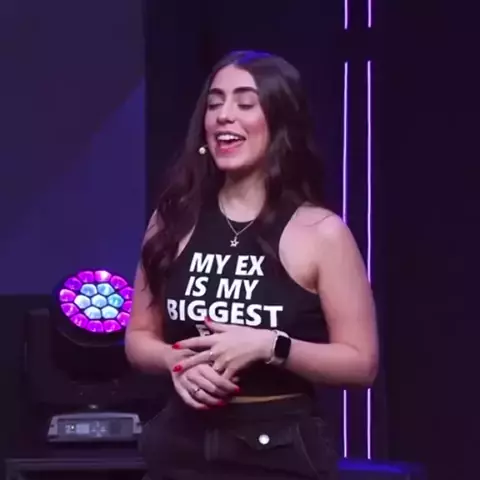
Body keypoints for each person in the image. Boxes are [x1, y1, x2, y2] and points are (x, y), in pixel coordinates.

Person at [125, 50, 378, 480]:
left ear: (280, 124)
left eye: (245, 103)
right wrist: (174, 362)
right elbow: (138, 337)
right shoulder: (172, 220)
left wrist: (271, 346)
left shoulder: (321, 232)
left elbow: (361, 364)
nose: (224, 115)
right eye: (215, 103)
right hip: (180, 446)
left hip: (277, 450)